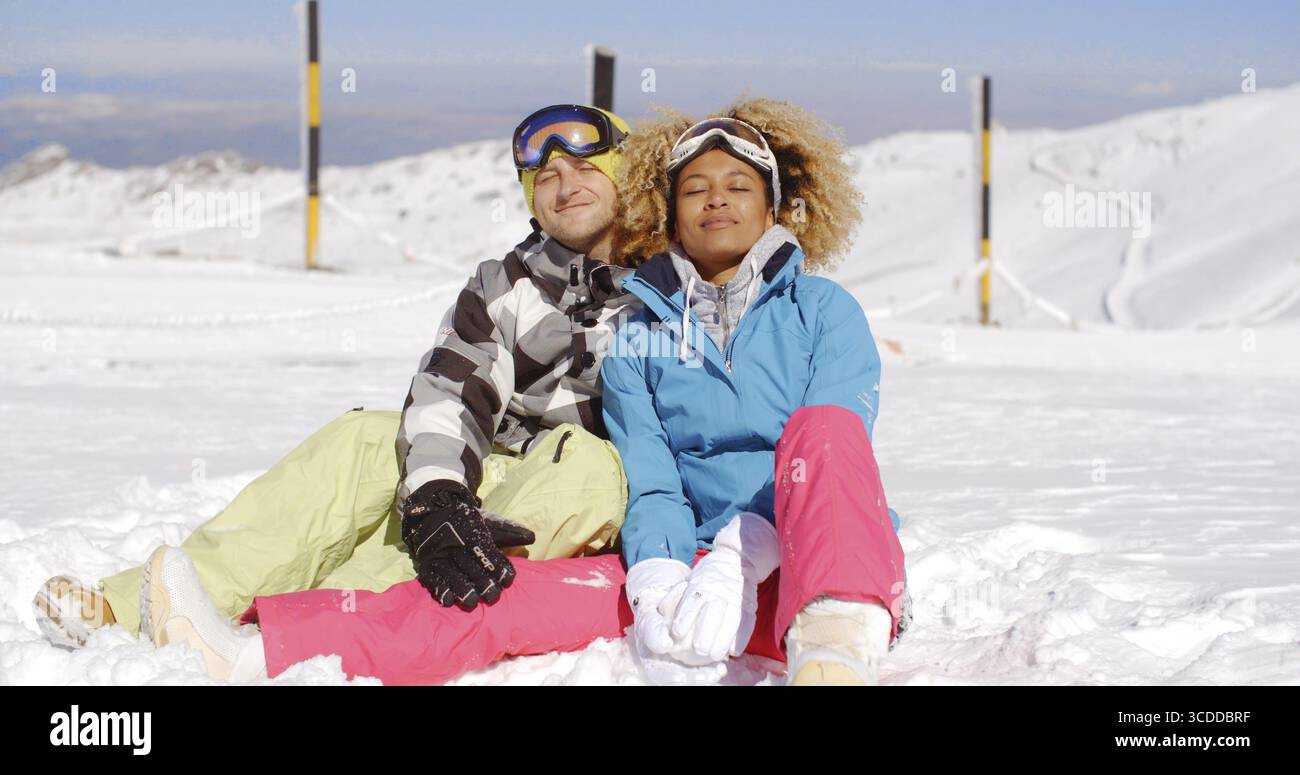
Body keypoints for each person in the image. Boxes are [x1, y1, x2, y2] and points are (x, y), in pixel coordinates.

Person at [134, 98, 911, 686]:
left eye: (738, 186)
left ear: (773, 205)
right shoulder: (637, 329)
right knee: (488, 588)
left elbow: (833, 452)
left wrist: (744, 553)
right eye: (696, 188)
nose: (715, 200)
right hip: (682, 572)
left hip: (819, 572)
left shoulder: (823, 311)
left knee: (816, 433)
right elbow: (650, 471)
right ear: (670, 211)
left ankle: (834, 657)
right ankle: (250, 646)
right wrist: (662, 575)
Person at [34, 105, 640, 679]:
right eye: (546, 176)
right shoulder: (503, 283)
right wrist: (438, 497)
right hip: (501, 460)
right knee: (370, 439)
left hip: (591, 484)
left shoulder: (665, 282)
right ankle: (133, 606)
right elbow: (450, 390)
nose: (566, 186)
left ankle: (287, 635)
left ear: (624, 173)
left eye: (587, 168)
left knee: (582, 463)